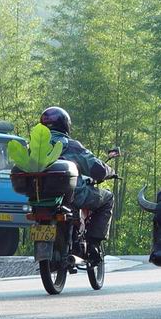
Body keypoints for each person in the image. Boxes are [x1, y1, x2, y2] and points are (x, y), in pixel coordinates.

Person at [40, 106, 114, 263]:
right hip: (72, 196)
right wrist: (109, 171)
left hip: (40, 198)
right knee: (108, 198)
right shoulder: (71, 146)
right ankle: (93, 244)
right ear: (65, 125)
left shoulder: (33, 146)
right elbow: (97, 169)